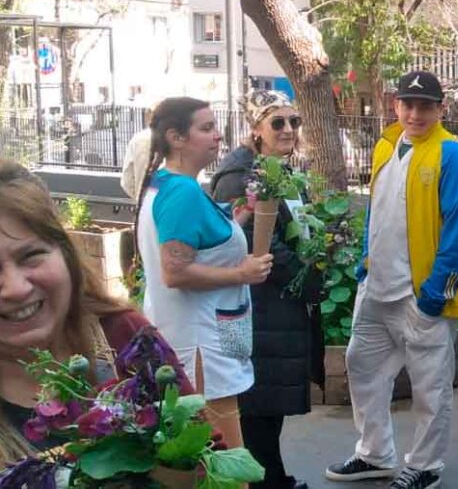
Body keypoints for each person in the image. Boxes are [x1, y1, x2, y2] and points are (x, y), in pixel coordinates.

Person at [325, 71, 458, 489]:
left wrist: (435, 294)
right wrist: (363, 266)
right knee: (362, 366)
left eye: (425, 106)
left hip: (421, 295)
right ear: (395, 106)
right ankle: (375, 454)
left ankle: (425, 466)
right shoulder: (385, 145)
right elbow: (377, 208)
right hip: (376, 287)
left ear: (440, 109)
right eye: (407, 104)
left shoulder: (452, 154)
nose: (415, 113)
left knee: (431, 386)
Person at [0, 159, 193, 464]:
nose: (15, 288)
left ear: (65, 253)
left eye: (31, 255)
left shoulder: (126, 339)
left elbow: (214, 465)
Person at [135, 97, 273, 450]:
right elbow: (176, 272)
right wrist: (242, 273)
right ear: (176, 137)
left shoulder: (167, 183)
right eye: (206, 128)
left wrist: (241, 214)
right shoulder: (182, 192)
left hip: (196, 339)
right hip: (202, 348)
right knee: (225, 467)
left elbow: (203, 240)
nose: (217, 136)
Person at [211, 90, 324, 489]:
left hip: (279, 309)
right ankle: (270, 482)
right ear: (255, 129)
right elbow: (251, 241)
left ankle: (274, 479)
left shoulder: (282, 170)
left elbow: (296, 229)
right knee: (256, 408)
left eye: (294, 121)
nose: (289, 129)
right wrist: (304, 277)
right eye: (278, 122)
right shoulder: (238, 178)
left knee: (267, 410)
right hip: (257, 309)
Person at [120, 107, 153, 200]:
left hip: (143, 203)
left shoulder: (137, 139)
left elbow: (126, 180)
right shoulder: (178, 140)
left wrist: (139, 196)